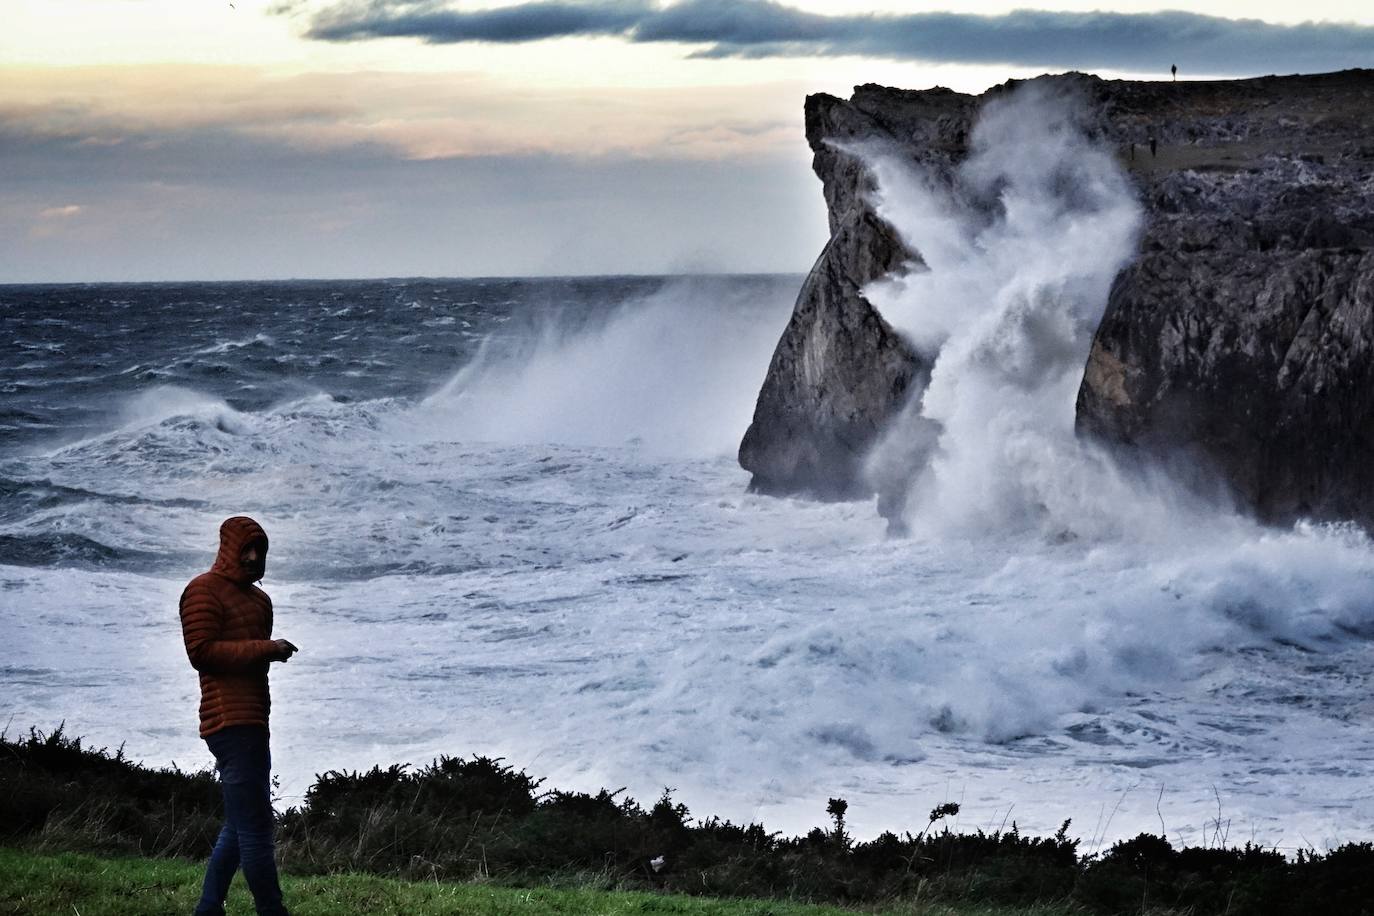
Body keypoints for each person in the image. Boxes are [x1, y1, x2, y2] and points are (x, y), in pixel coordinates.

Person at [180, 516, 298, 916]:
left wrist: (265, 652)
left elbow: (245, 655)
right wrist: (265, 649)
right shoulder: (202, 590)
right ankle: (272, 911)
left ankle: (209, 908)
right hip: (227, 721)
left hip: (254, 720)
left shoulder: (261, 601)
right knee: (256, 830)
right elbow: (202, 652)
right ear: (228, 549)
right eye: (245, 549)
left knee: (239, 823)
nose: (252, 557)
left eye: (259, 550)